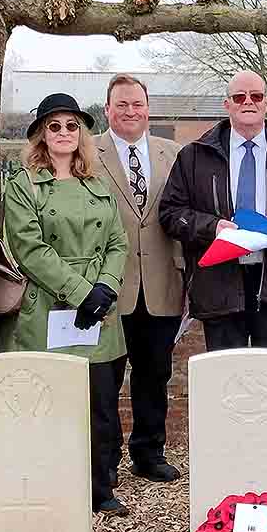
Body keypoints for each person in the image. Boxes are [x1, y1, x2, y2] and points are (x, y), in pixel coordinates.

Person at [0, 93, 129, 515]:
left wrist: (104, 287)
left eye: (72, 125)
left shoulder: (97, 184)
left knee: (100, 404)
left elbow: (117, 242)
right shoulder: (23, 185)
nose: (64, 133)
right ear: (40, 134)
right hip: (49, 309)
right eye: (54, 126)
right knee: (47, 402)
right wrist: (81, 292)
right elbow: (30, 249)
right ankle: (48, 482)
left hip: (99, 311)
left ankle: (100, 487)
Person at [158, 70, 267, 351]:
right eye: (239, 97)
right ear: (226, 104)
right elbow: (171, 213)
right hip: (219, 286)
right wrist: (213, 227)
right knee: (227, 374)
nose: (248, 102)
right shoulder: (194, 156)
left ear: (266, 103)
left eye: (256, 96)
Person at [94, 74, 183, 484]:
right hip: (109, 287)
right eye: (122, 104)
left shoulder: (173, 154)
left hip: (162, 283)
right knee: (106, 380)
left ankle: (149, 453)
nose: (130, 112)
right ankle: (105, 460)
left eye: (137, 104)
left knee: (154, 375)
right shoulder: (86, 153)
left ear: (148, 109)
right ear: (107, 109)